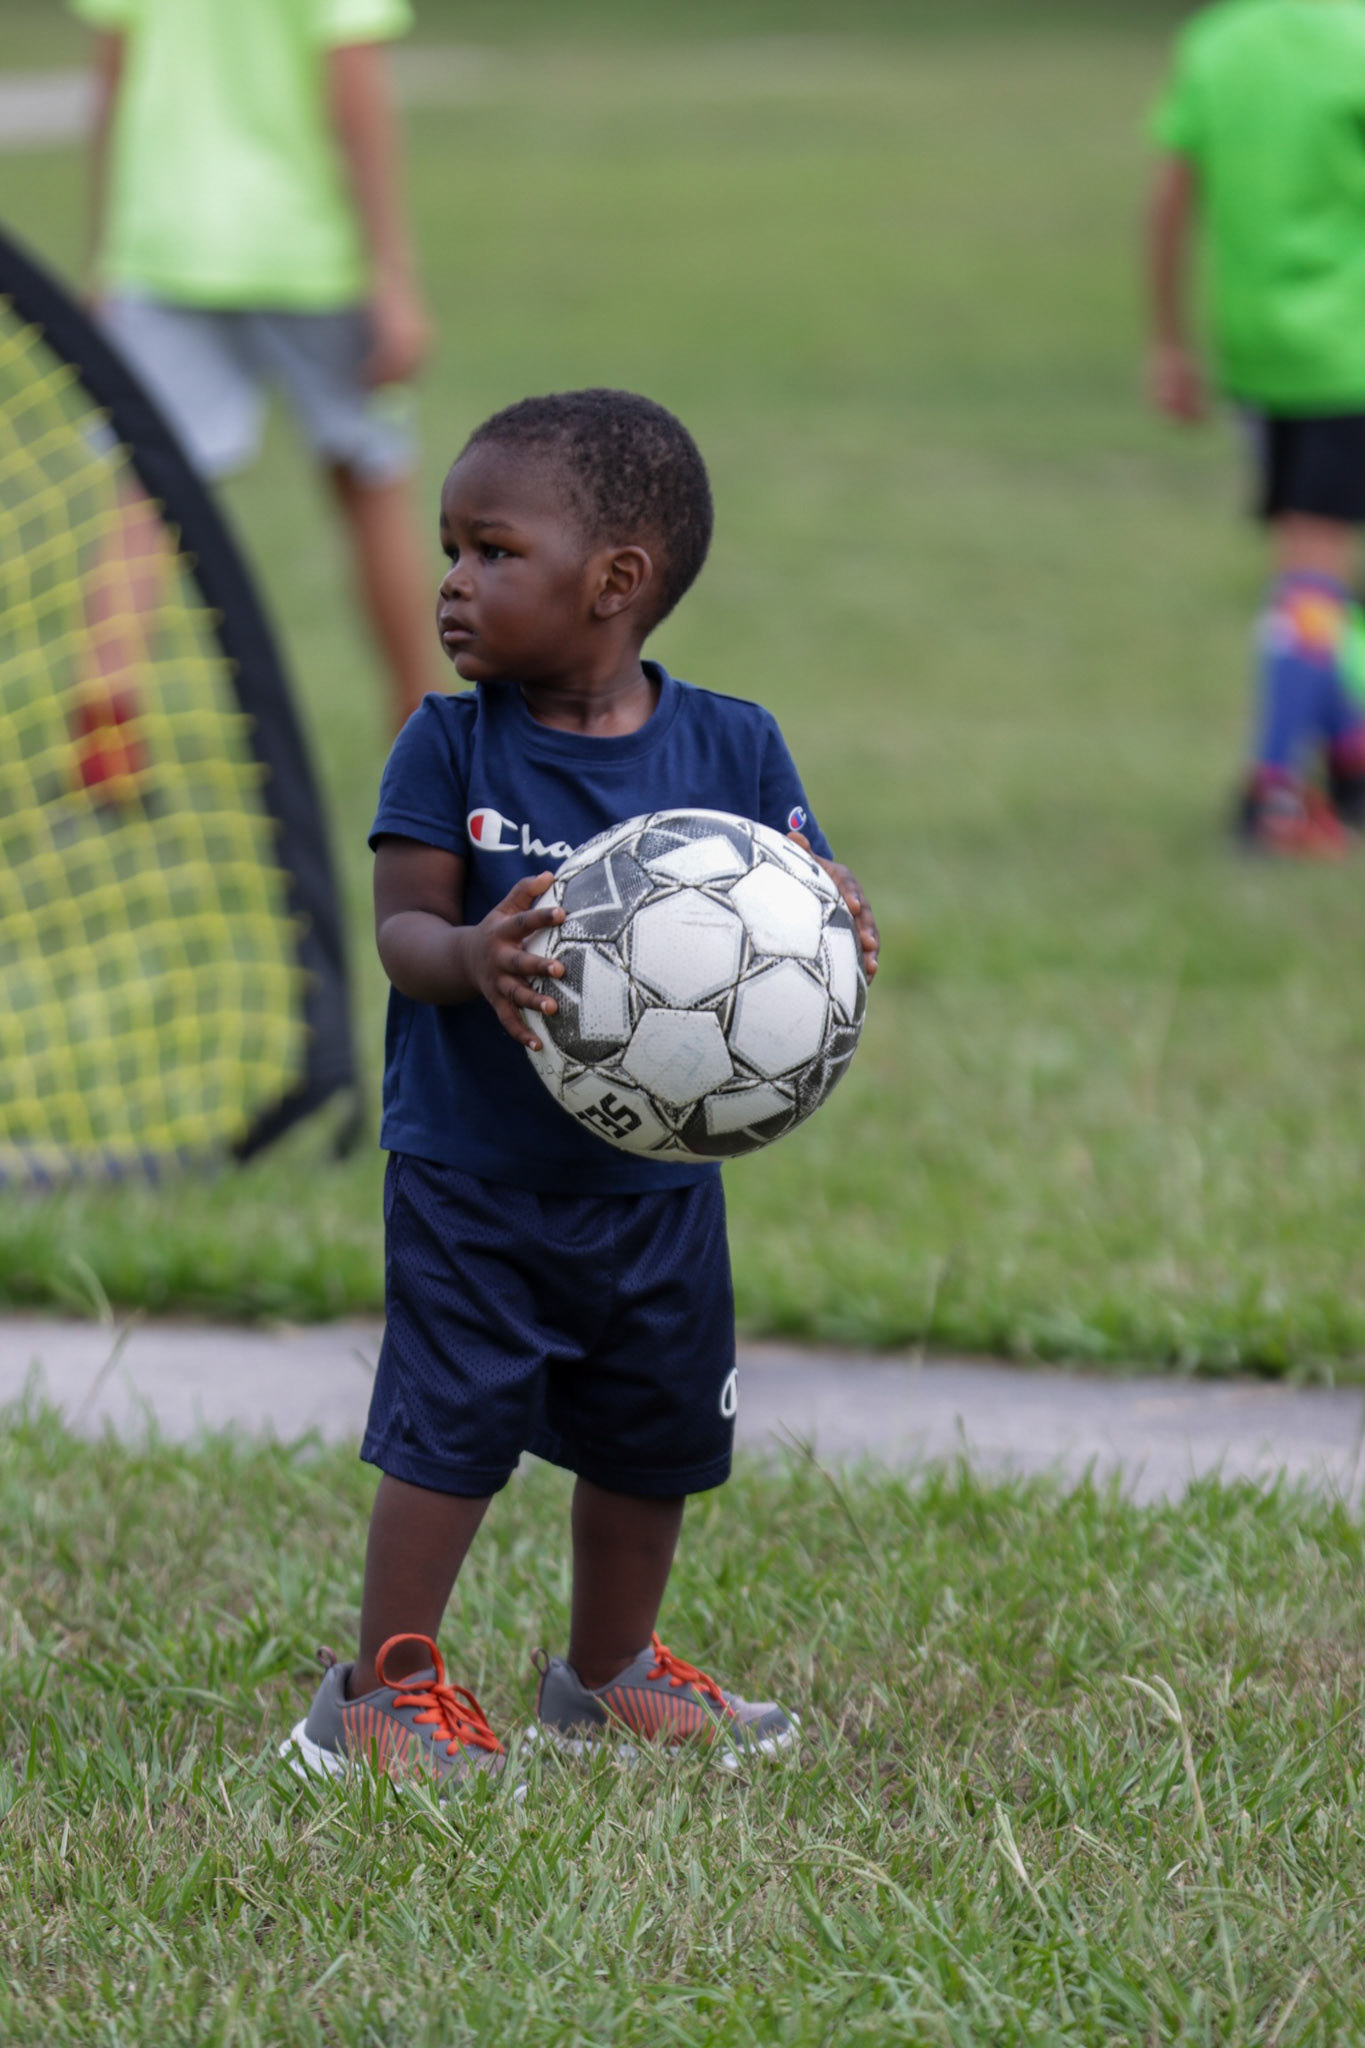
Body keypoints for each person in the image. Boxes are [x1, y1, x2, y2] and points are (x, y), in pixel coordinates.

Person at [283, 389, 881, 1785]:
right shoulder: (449, 744)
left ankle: (607, 1672)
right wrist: (471, 954)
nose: (452, 579)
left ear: (615, 581)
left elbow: (795, 906)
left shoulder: (733, 748)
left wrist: (835, 926)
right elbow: (403, 929)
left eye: (492, 550)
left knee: (651, 1432)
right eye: (451, 547)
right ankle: (382, 1692)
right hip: (474, 1175)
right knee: (449, 1430)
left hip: (657, 1184)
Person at [74, 0, 440, 732]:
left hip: (164, 243)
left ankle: (105, 732)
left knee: (145, 495)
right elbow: (354, 82)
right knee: (371, 481)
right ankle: (424, 731)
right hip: (309, 249)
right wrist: (392, 270)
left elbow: (113, 73)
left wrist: (108, 250)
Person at [1147, 0, 1365, 855]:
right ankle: (1270, 794)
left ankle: (1351, 761)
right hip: (1348, 345)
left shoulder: (1218, 42)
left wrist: (1169, 339)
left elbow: (1170, 199)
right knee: (1314, 574)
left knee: (1316, 567)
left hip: (1258, 350)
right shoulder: (1353, 34)